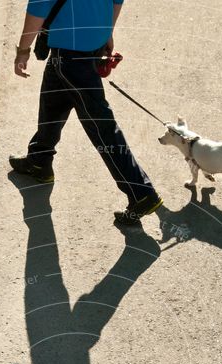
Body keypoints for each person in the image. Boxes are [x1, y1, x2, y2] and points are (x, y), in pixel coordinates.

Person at [9, 0, 163, 224]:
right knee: (53, 100)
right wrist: (107, 33)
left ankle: (141, 192)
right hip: (90, 44)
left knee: (100, 123)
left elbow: (38, 10)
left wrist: (22, 52)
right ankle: (39, 160)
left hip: (71, 53)